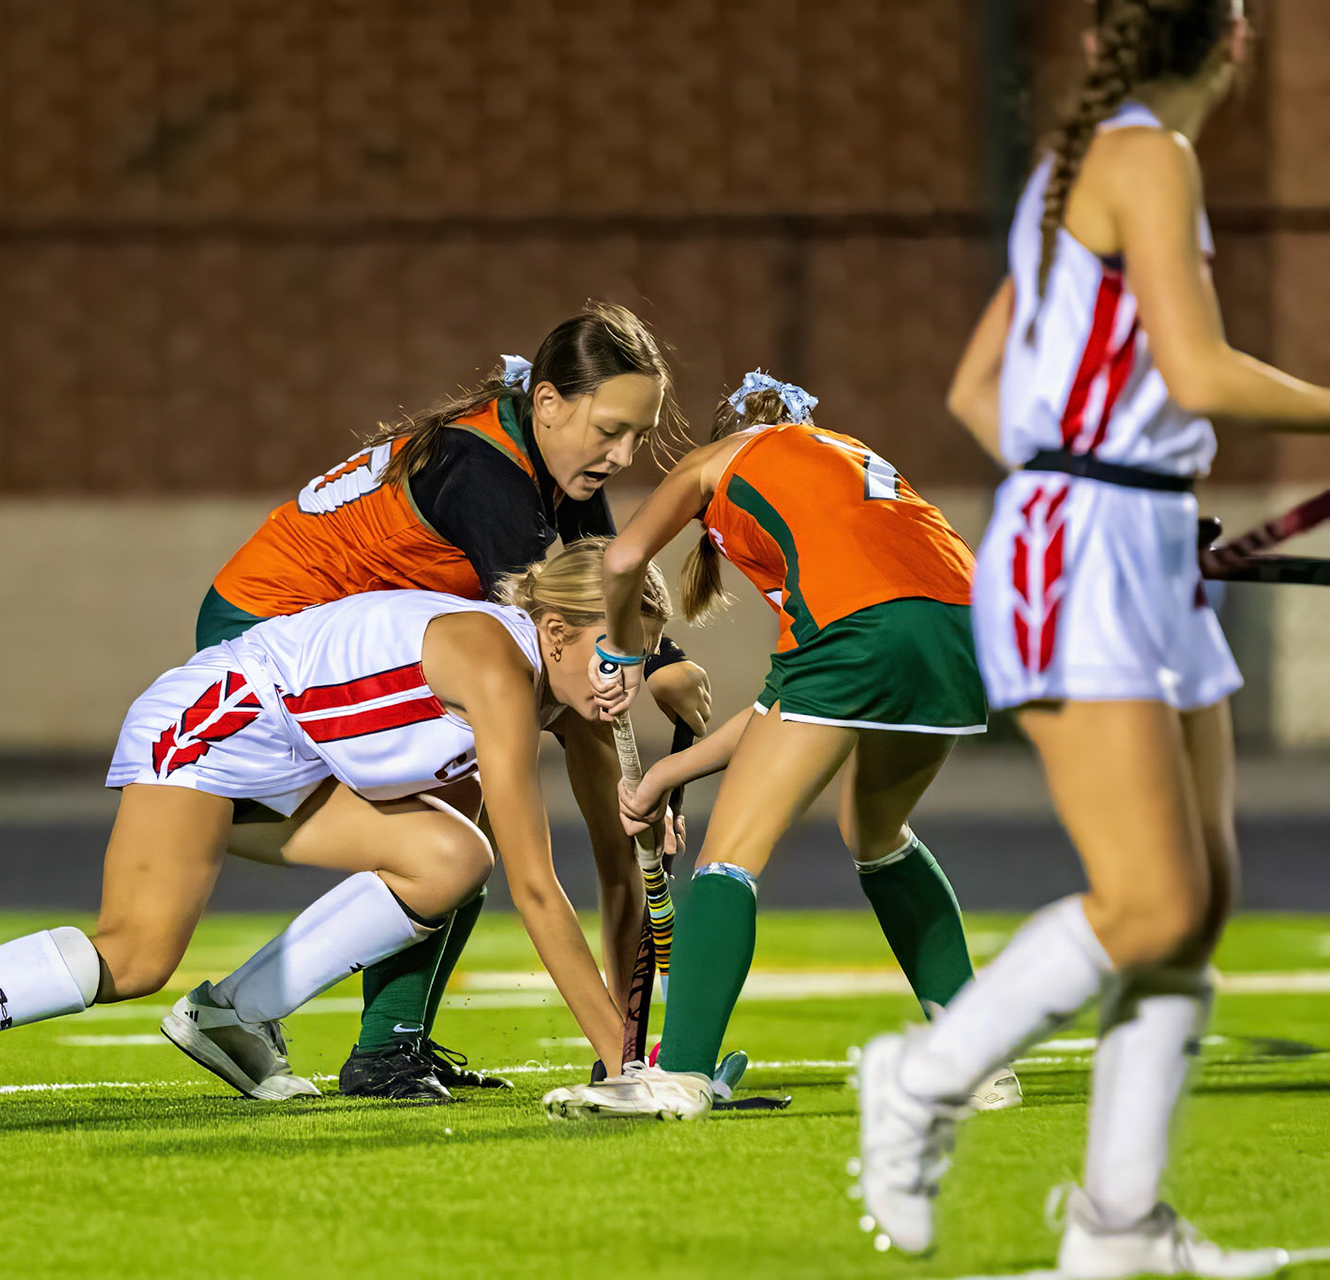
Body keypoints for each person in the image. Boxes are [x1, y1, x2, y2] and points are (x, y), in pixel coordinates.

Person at [853, 2, 1316, 1272]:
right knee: (1150, 898)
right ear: (1232, 39)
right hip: (1090, 551)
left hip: (1131, 535)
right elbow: (1200, 373)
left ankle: (1117, 1227)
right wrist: (1098, 492)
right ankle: (922, 1077)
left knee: (1196, 906)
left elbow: (980, 389)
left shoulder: (1086, 166)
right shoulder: (1146, 158)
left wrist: (1121, 484)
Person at [0, 542, 681, 1113]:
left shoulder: (561, 693)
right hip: (215, 724)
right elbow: (539, 888)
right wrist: (623, 1066)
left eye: (637, 665)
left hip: (290, 760)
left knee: (450, 857)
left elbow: (612, 864)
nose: (624, 684)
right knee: (136, 955)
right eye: (613, 659)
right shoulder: (497, 668)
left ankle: (233, 1018)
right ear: (554, 631)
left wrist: (635, 1045)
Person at [194, 303, 712, 1099]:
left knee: (468, 817)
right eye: (610, 430)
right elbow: (574, 690)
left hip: (306, 636)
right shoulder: (488, 479)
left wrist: (665, 662)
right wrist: (623, 1054)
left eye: (637, 438)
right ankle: (373, 1045)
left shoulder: (548, 462)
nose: (623, 456)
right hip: (262, 632)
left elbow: (601, 594)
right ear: (547, 403)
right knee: (464, 815)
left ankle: (378, 1042)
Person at [540, 372, 1015, 1121]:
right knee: (876, 832)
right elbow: (790, 707)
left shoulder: (713, 465)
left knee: (730, 854)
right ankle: (978, 1058)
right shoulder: (838, 460)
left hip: (864, 627)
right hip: (964, 624)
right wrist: (666, 773)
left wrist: (625, 656)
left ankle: (680, 1073)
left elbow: (623, 560)